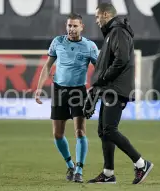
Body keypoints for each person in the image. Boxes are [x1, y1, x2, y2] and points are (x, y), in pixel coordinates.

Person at [83, 3, 153, 184]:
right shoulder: (113, 33)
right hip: (110, 88)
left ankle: (141, 163)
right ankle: (108, 173)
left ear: (106, 14)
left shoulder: (118, 32)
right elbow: (111, 62)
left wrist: (103, 79)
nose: (97, 20)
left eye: (98, 17)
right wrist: (97, 88)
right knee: (104, 131)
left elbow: (121, 59)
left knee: (109, 129)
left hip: (116, 88)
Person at [35, 13, 99, 183]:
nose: (71, 29)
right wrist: (39, 87)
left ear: (82, 27)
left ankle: (79, 170)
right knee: (57, 134)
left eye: (75, 26)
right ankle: (70, 165)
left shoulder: (90, 46)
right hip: (59, 90)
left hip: (78, 91)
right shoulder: (57, 42)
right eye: (69, 26)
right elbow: (48, 65)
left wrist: (98, 88)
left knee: (80, 131)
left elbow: (99, 69)